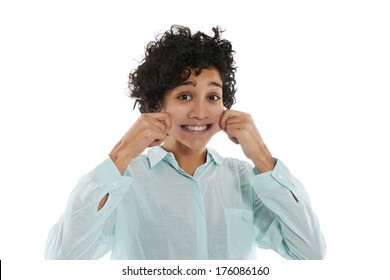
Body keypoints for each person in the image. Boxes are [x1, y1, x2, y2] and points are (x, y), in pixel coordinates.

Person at [45, 25, 326, 260]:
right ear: (157, 104)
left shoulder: (243, 178)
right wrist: (120, 155)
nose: (200, 112)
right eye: (184, 96)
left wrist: (263, 158)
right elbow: (62, 258)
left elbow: (310, 253)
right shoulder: (126, 180)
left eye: (213, 97)